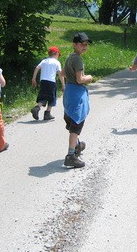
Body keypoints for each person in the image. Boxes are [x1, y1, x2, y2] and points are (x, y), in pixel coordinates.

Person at [61, 32, 93, 168]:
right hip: (76, 95)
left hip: (69, 92)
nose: (85, 47)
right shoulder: (78, 59)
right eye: (82, 44)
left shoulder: (70, 57)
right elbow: (80, 79)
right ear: (75, 44)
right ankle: (71, 156)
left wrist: (64, 85)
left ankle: (77, 145)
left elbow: (62, 73)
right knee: (76, 125)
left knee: (72, 121)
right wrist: (89, 77)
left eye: (86, 44)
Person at [31, 46, 65, 121]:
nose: (58, 57)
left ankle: (41, 110)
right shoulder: (57, 62)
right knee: (52, 97)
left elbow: (37, 68)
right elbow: (60, 73)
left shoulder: (44, 61)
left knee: (43, 95)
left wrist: (33, 78)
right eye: (58, 55)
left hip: (43, 81)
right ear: (56, 53)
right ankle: (43, 111)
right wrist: (63, 84)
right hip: (51, 82)